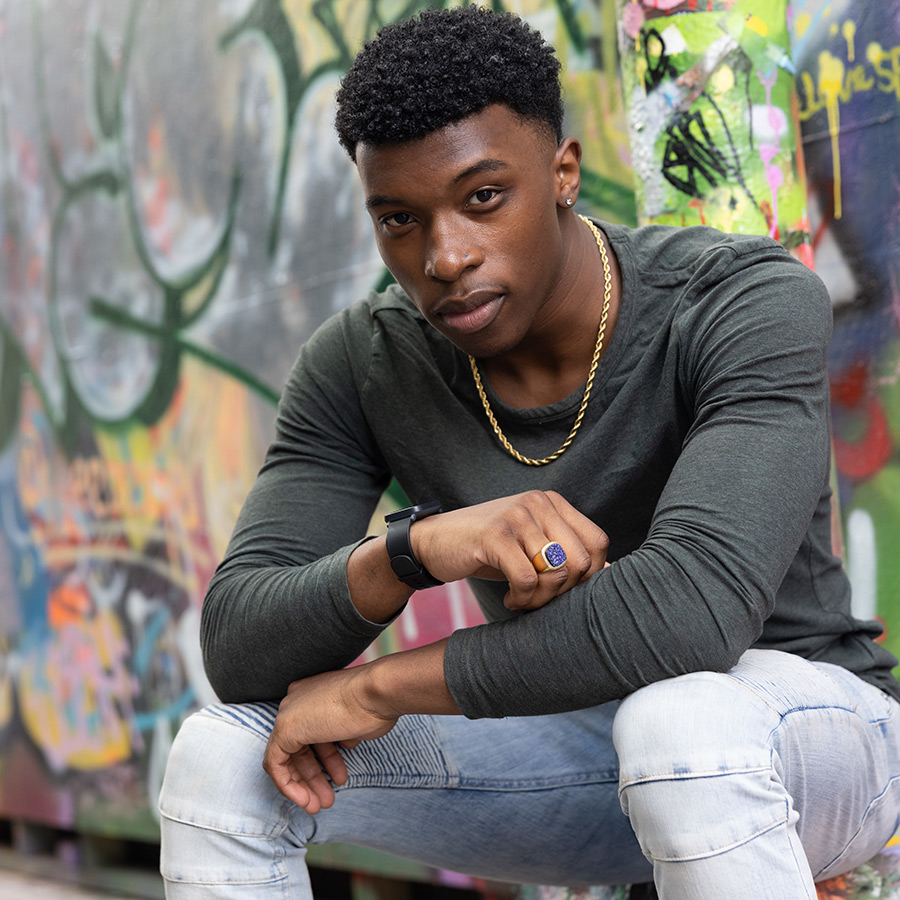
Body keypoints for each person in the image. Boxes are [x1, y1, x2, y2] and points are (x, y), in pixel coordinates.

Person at [158, 6, 900, 899]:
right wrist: (412, 549)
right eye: (399, 218)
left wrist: (376, 688)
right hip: (572, 750)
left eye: (482, 198)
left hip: (807, 737)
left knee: (681, 726)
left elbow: (690, 615)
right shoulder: (363, 361)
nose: (445, 256)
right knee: (220, 757)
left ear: (562, 173)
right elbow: (241, 643)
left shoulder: (741, 301)